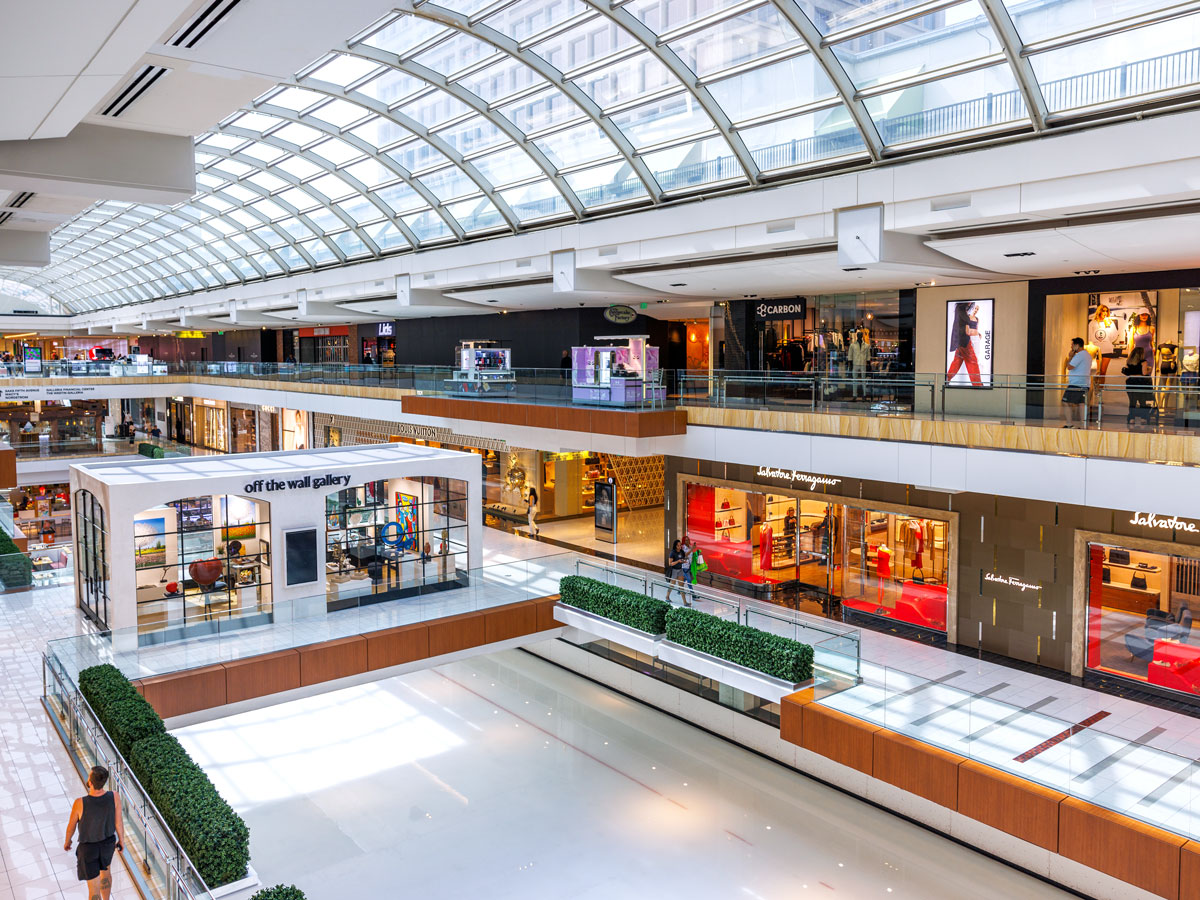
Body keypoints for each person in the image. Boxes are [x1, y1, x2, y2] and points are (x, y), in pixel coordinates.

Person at [64, 765, 124, 900]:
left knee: (93, 889)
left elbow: (71, 827)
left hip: (88, 849)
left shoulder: (80, 803)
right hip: (107, 844)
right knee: (106, 873)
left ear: (90, 783)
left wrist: (68, 841)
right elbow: (118, 823)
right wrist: (121, 840)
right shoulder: (114, 796)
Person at [946, 301, 983, 387]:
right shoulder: (961, 310)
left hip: (962, 340)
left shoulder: (961, 310)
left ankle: (947, 378)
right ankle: (977, 385)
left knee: (958, 360)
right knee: (972, 361)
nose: (975, 309)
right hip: (964, 340)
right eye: (975, 308)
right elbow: (966, 323)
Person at [1063, 336, 1091, 427]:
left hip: (1076, 383)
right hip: (1085, 383)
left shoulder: (1079, 355)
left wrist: (1070, 357)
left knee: (1066, 402)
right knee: (1081, 404)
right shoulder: (1087, 355)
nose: (1071, 346)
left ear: (1077, 345)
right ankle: (1083, 424)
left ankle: (1069, 423)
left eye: (1072, 345)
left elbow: (1069, 367)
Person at [1123, 345, 1154, 429]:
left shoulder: (1129, 361)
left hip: (1130, 382)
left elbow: (1128, 371)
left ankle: (1131, 419)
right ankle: (1143, 418)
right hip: (1140, 382)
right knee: (1142, 401)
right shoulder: (1143, 362)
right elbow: (1144, 373)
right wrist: (1149, 369)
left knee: (1132, 401)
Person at [847, 330, 871, 398]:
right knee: (854, 380)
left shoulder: (866, 345)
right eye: (858, 335)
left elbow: (868, 355)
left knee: (864, 380)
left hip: (863, 364)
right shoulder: (852, 345)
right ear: (857, 336)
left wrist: (868, 363)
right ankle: (854, 395)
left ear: (862, 336)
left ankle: (864, 395)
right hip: (855, 364)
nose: (859, 336)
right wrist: (850, 364)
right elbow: (850, 355)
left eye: (861, 335)